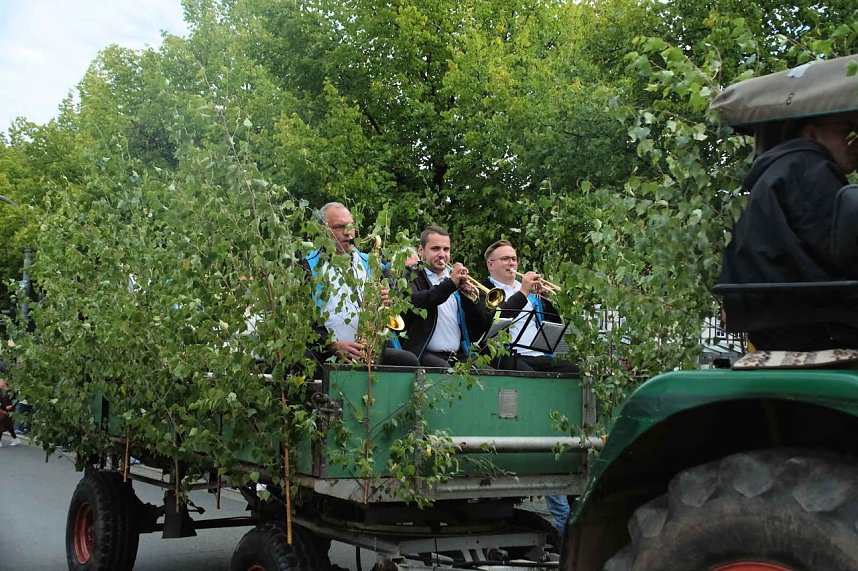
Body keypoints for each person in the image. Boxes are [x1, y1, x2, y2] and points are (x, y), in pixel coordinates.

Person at [718, 110, 858, 350]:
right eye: (847, 132)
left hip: (777, 318)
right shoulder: (810, 168)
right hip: (814, 319)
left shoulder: (782, 170)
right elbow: (841, 251)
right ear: (812, 133)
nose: (854, 144)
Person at [300, 202, 419, 367]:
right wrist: (332, 346)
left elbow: (398, 298)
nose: (348, 233)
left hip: (369, 350)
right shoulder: (305, 268)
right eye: (339, 227)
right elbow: (303, 323)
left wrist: (390, 298)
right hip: (326, 355)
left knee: (408, 361)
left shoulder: (373, 262)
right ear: (322, 230)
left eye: (351, 226)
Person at [401, 225, 493, 367]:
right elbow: (416, 301)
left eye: (446, 249)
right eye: (435, 249)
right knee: (446, 372)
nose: (442, 254)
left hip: (458, 354)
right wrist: (451, 284)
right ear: (421, 251)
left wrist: (469, 298)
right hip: (423, 353)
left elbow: (480, 324)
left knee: (488, 372)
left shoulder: (454, 281)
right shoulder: (409, 274)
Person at [482, 240, 579, 373]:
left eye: (514, 259)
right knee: (529, 376)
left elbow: (554, 324)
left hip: (539, 355)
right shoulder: (485, 291)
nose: (511, 263)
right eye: (505, 259)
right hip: (506, 356)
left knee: (574, 371)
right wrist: (523, 292)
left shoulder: (531, 293)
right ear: (491, 264)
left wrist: (547, 299)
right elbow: (492, 319)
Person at [0, 379, 21, 447]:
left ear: (4, 383)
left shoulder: (12, 392)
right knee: (9, 426)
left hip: (9, 411)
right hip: (2, 410)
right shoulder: (1, 392)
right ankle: (15, 439)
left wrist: (11, 406)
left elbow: (16, 400)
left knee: (1, 425)